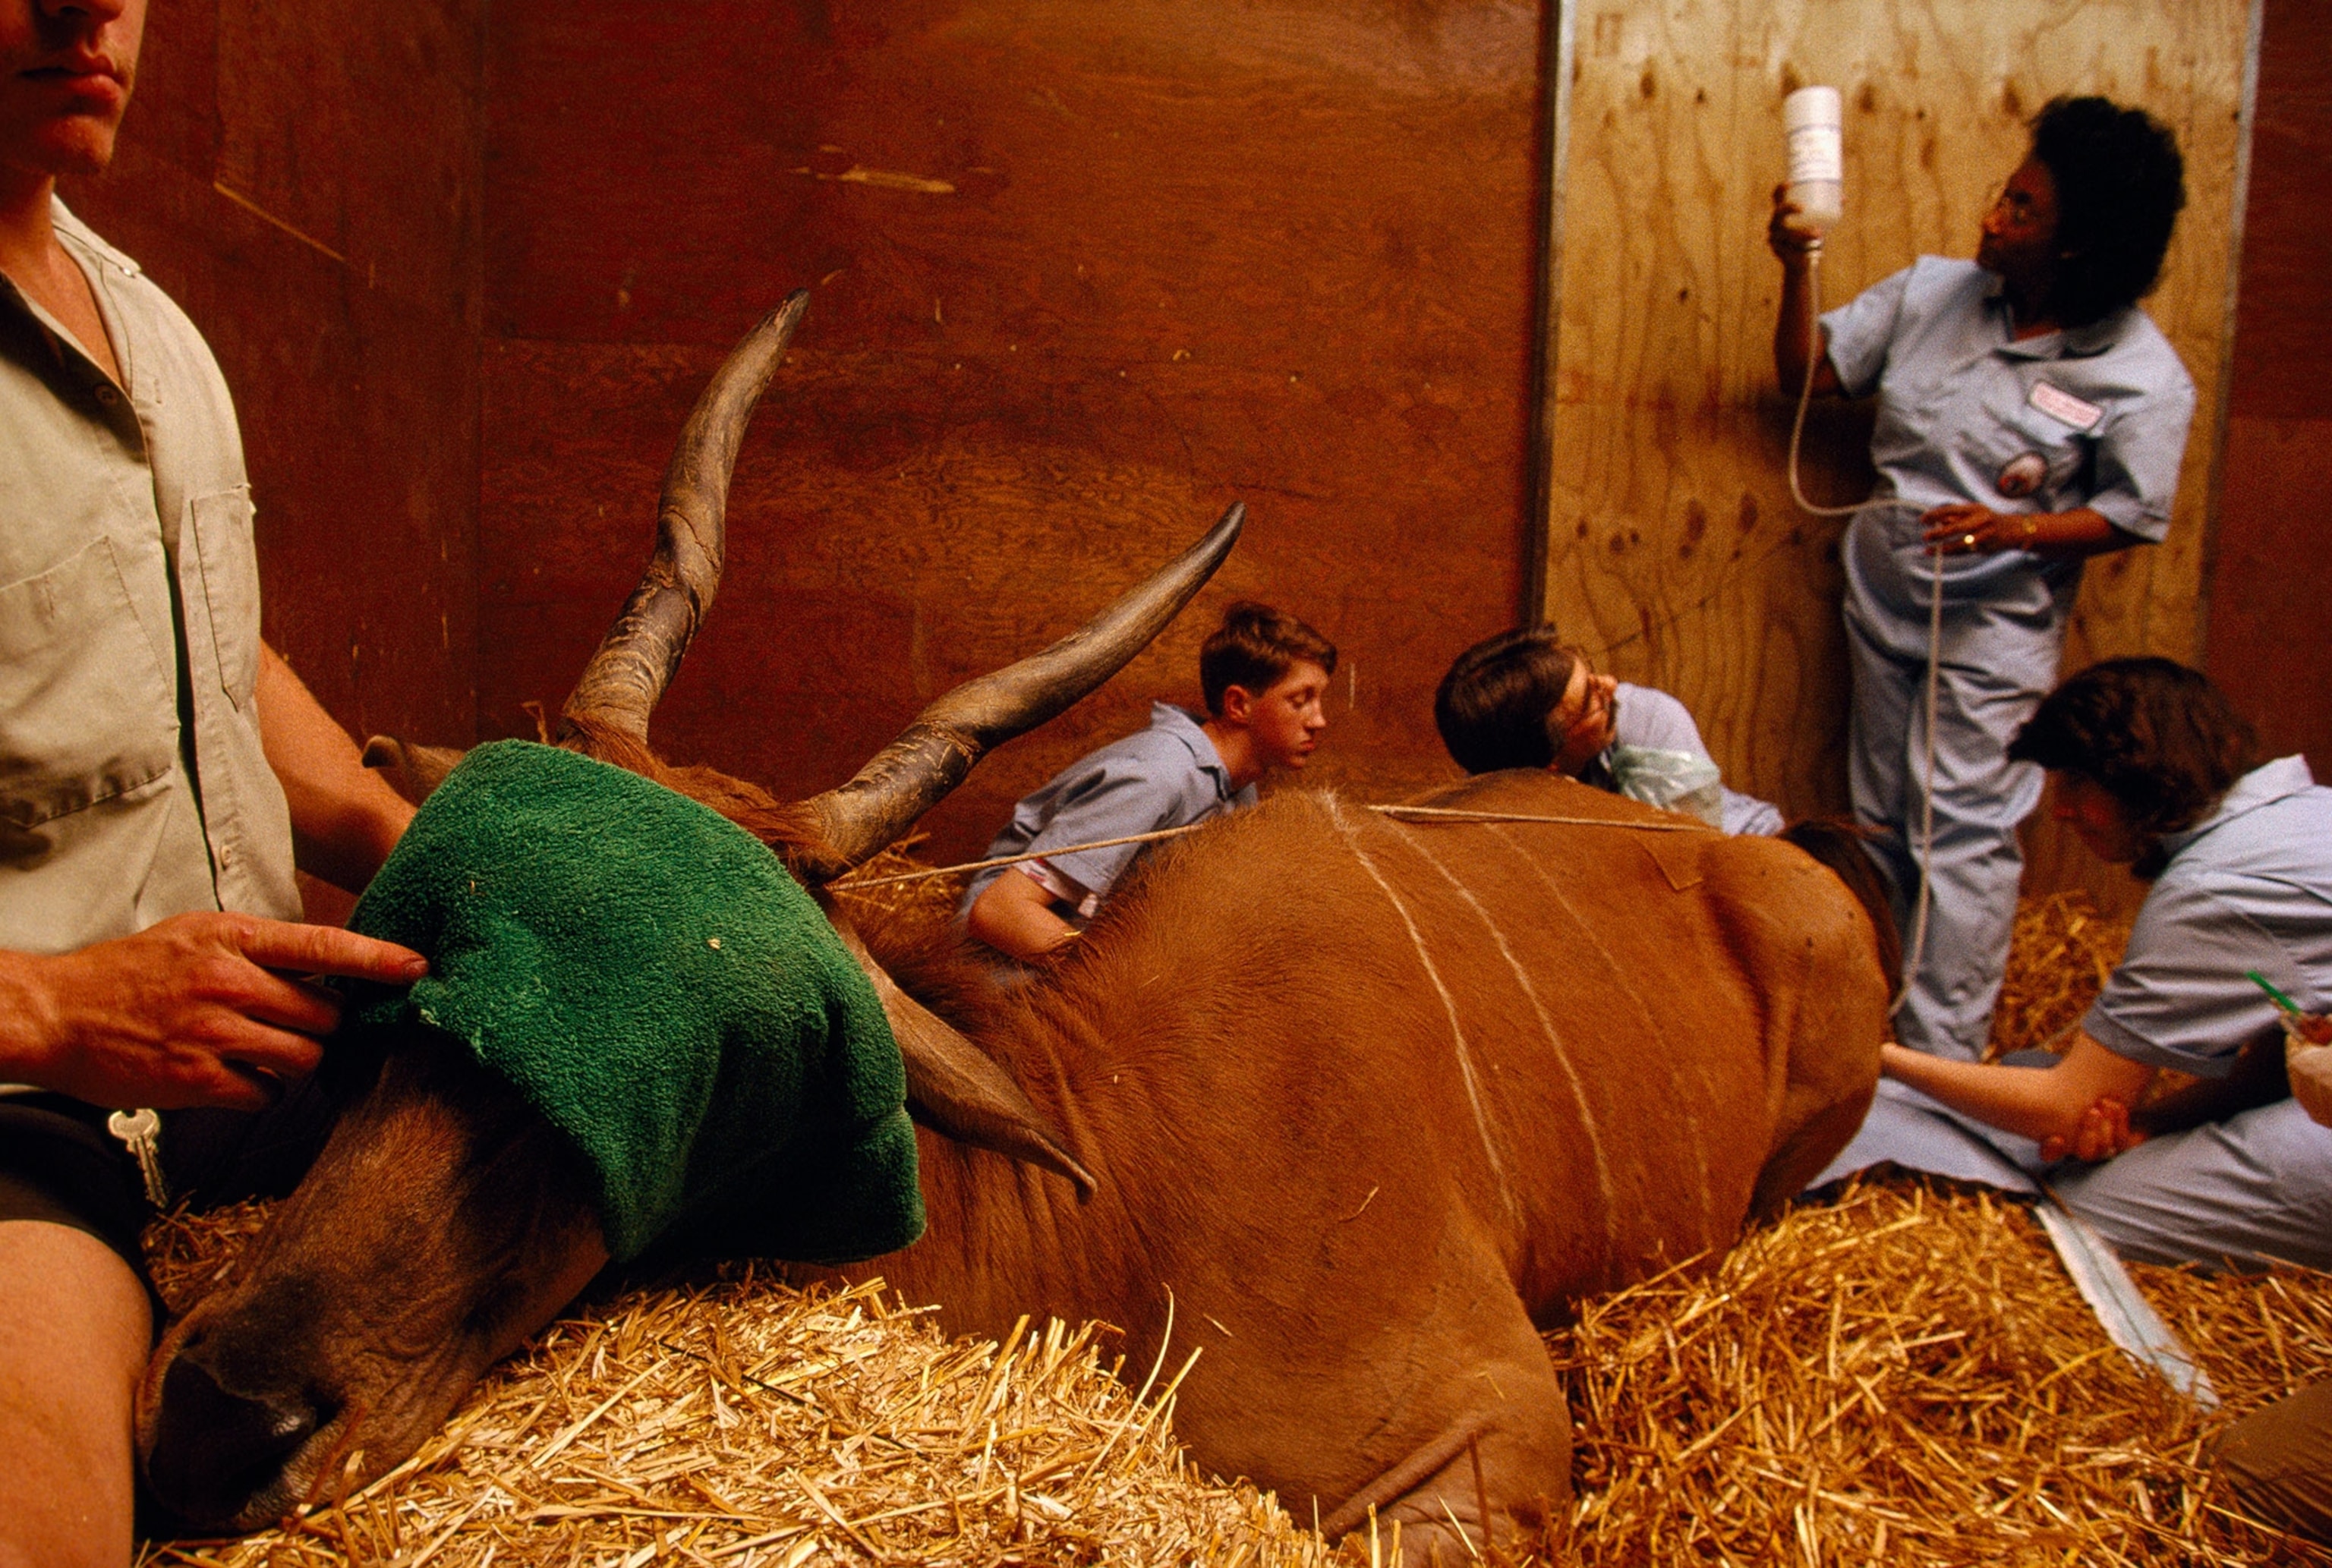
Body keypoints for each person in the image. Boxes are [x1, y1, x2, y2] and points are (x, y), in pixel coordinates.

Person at [0, 2, 428, 1562]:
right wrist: (56, 1008)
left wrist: (409, 839)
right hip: (34, 1101)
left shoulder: (150, 325)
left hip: (251, 1051)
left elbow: (212, 652)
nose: (86, 6)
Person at [1770, 97, 2194, 1060]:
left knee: (1959, 829)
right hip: (1886, 598)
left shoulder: (2140, 374)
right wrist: (1796, 264)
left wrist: (2020, 527)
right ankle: (1872, 1027)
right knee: (1882, 815)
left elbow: (2134, 512)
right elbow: (1808, 374)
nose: (1993, 218)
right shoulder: (1935, 294)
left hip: (1994, 626)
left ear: (2078, 246)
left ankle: (1938, 1058)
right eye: (2006, 194)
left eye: (2023, 211)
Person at [1809, 659, 2332, 1275]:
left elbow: (2066, 1107)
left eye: (2078, 783)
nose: (2059, 810)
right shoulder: (2303, 814)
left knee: (2083, 1213)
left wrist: (1875, 1054)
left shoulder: (2213, 888)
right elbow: (2284, 1060)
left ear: (2141, 778)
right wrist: (2149, 1124)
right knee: (2038, 1091)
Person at [961, 600, 1334, 964]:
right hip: (1003, 968)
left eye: (1319, 700)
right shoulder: (1157, 777)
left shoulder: (1239, 786)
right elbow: (1001, 911)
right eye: (1300, 700)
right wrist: (1132, 984)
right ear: (1238, 705)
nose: (1319, 721)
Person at [1432, 625, 1784, 835]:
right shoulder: (1500, 782)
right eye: (1591, 701)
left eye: (1590, 672)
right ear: (1550, 763)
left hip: (1744, 845)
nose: (1611, 684)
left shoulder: (1649, 719)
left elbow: (1688, 863)